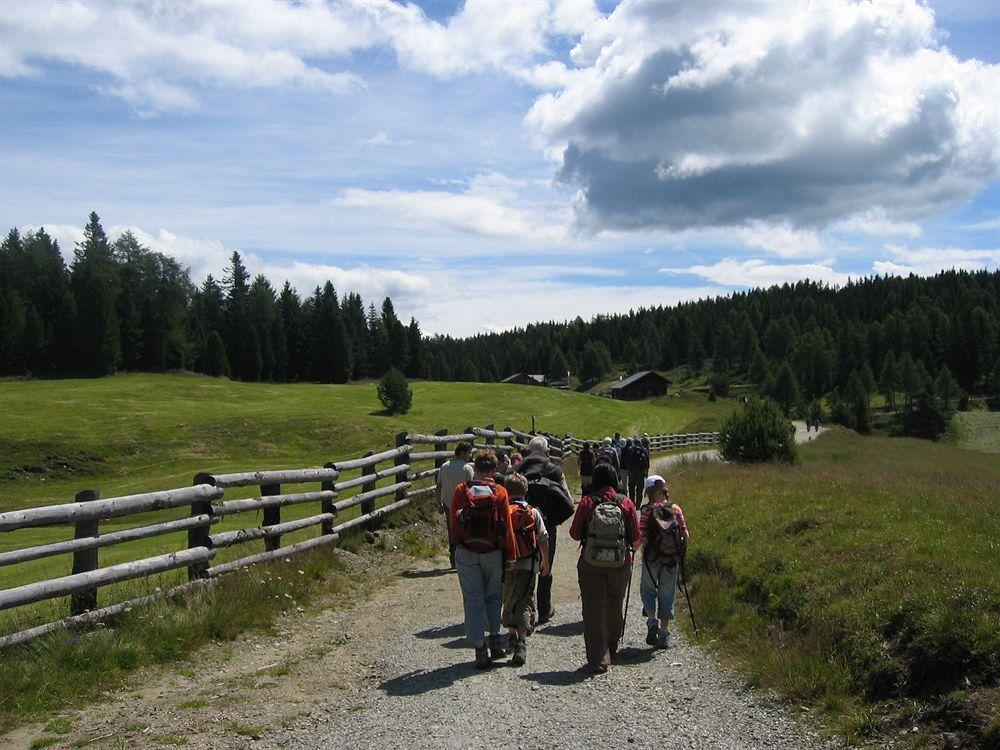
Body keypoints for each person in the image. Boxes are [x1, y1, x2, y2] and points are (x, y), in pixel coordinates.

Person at [569, 463, 640, 673]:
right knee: (614, 604)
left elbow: (573, 533)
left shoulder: (587, 502)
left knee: (592, 608)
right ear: (615, 478)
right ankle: (612, 648)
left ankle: (598, 657)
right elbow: (635, 537)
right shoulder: (626, 502)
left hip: (590, 562)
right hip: (620, 563)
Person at [450, 449, 517, 669]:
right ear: (494, 468)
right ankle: (495, 638)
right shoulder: (500, 492)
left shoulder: (462, 490)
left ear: (475, 467)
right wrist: (511, 554)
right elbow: (507, 526)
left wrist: (458, 547)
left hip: (467, 552)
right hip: (493, 552)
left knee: (473, 600)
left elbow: (454, 523)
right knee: (493, 596)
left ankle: (480, 648)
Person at [518, 436, 574, 627]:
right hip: (547, 524)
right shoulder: (554, 471)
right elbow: (567, 500)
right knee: (545, 566)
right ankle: (544, 609)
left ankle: (525, 612)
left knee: (524, 568)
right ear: (547, 451)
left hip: (521, 525)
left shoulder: (517, 470)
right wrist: (555, 520)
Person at [501, 472, 550, 667]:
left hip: (506, 564)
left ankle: (510, 635)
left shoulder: (503, 510)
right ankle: (521, 642)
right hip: (529, 564)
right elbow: (543, 538)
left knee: (508, 597)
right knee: (525, 600)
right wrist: (544, 561)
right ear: (526, 490)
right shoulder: (532, 511)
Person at [638, 475, 689, 649]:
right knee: (667, 594)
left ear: (649, 492)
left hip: (651, 558)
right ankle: (664, 633)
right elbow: (685, 535)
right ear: (664, 490)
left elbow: (641, 536)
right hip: (671, 559)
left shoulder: (646, 511)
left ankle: (652, 621)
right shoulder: (675, 509)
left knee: (647, 590)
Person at [437, 442, 474, 568]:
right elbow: (472, 487)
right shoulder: (467, 468)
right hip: (464, 505)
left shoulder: (444, 466)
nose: (470, 456)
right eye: (469, 453)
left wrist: (439, 503)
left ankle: (453, 557)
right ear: (463, 453)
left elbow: (439, 486)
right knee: (466, 529)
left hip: (448, 503)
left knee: (451, 530)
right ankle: (464, 556)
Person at [627, 438, 650, 507]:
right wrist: (646, 471)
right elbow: (647, 461)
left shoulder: (630, 449)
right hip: (641, 472)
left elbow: (626, 459)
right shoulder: (644, 449)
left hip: (632, 471)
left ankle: (632, 503)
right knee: (639, 489)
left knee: (631, 487)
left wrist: (629, 469)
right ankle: (638, 504)